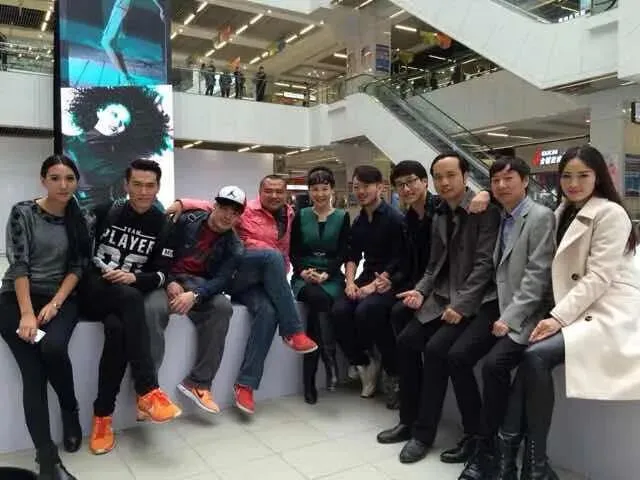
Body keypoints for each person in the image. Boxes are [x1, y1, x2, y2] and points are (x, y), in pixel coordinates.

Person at [495, 145, 640, 480]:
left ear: (598, 177)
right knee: (526, 358)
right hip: (573, 306)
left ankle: (529, 463)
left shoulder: (611, 214)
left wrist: (557, 318)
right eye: (567, 176)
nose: (574, 184)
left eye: (583, 175)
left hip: (605, 310)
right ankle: (518, 464)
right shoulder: (563, 210)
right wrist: (487, 198)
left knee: (535, 357)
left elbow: (598, 278)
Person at [379, 152, 501, 465]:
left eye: (451, 175)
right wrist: (421, 291)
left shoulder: (484, 211)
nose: (444, 182)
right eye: (439, 177)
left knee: (437, 351)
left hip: (475, 301)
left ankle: (427, 434)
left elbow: (485, 266)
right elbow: (434, 265)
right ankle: (408, 421)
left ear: (466, 176)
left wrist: (461, 305)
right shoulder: (440, 213)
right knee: (406, 341)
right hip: (443, 296)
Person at [167, 175, 318, 415]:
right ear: (260, 191)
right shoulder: (244, 212)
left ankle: (245, 385)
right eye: (268, 190)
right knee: (271, 256)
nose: (274, 195)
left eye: (279, 191)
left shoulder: (289, 215)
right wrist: (181, 203)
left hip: (262, 280)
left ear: (286, 194)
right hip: (238, 275)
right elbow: (208, 208)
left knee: (268, 311)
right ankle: (292, 331)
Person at [456, 156, 555, 480]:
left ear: (525, 181)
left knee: (494, 366)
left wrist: (510, 318)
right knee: (457, 355)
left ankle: (491, 450)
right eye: (495, 180)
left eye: (508, 179)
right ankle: (476, 436)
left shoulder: (539, 217)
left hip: (527, 313)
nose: (501, 186)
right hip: (497, 305)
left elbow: (538, 277)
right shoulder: (501, 214)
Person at [80, 159, 181, 456]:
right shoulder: (104, 212)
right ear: (126, 185)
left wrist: (134, 278)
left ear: (158, 187)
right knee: (131, 298)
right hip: (94, 290)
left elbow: (162, 274)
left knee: (117, 330)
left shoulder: (164, 225)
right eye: (137, 184)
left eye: (150, 185)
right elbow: (80, 257)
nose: (143, 191)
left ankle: (102, 417)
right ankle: (148, 389)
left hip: (126, 297)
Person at [0, 155, 91, 480]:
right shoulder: (23, 212)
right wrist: (26, 313)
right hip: (16, 298)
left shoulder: (82, 218)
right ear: (43, 180)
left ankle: (70, 410)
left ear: (76, 181)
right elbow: (19, 264)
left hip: (61, 297)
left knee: (53, 347)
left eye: (69, 178)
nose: (63, 185)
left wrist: (55, 303)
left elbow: (78, 267)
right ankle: (47, 459)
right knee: (33, 374)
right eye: (55, 178)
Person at [148, 186, 246, 414]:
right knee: (153, 308)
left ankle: (199, 383)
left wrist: (195, 295)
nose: (227, 216)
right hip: (166, 278)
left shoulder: (235, 246)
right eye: (224, 208)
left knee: (222, 307)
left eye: (234, 213)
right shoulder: (185, 221)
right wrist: (168, 281)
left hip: (198, 285)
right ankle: (148, 388)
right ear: (214, 206)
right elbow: (160, 252)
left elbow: (221, 280)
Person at [331, 165, 406, 400]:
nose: (361, 191)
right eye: (357, 187)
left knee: (368, 310)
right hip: (367, 276)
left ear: (380, 187)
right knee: (339, 310)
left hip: (393, 279)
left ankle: (394, 373)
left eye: (366, 186)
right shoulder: (360, 219)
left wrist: (374, 287)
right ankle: (363, 362)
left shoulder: (395, 218)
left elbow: (401, 258)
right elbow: (352, 255)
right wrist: (350, 283)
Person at [290, 167, 350, 404]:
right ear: (309, 191)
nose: (320, 194)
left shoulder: (343, 217)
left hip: (331, 277)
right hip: (304, 277)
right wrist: (302, 271)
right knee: (318, 299)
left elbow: (343, 252)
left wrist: (327, 273)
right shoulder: (301, 215)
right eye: (315, 189)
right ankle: (329, 358)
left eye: (324, 189)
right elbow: (294, 251)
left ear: (332, 190)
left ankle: (310, 382)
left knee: (316, 315)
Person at [63, 86, 171, 208]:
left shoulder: (125, 159)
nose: (117, 123)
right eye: (114, 114)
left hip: (115, 217)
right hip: (79, 216)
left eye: (124, 123)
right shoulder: (68, 143)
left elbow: (147, 197)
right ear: (100, 111)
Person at [101, 0, 166, 85]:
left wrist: (161, 8)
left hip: (120, 7)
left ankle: (125, 78)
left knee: (107, 42)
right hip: (121, 7)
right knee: (112, 44)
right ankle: (125, 77)